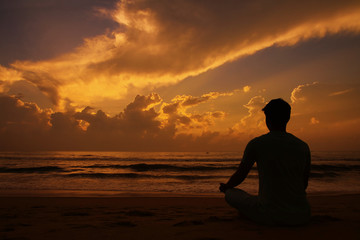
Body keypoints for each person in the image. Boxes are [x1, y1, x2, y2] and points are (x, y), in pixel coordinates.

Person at [219, 98, 311, 226]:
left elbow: (240, 175)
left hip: (270, 214)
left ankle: (249, 211)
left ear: (267, 119)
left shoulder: (257, 144)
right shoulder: (303, 146)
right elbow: (304, 183)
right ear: (288, 118)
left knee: (231, 194)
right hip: (302, 214)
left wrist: (227, 187)